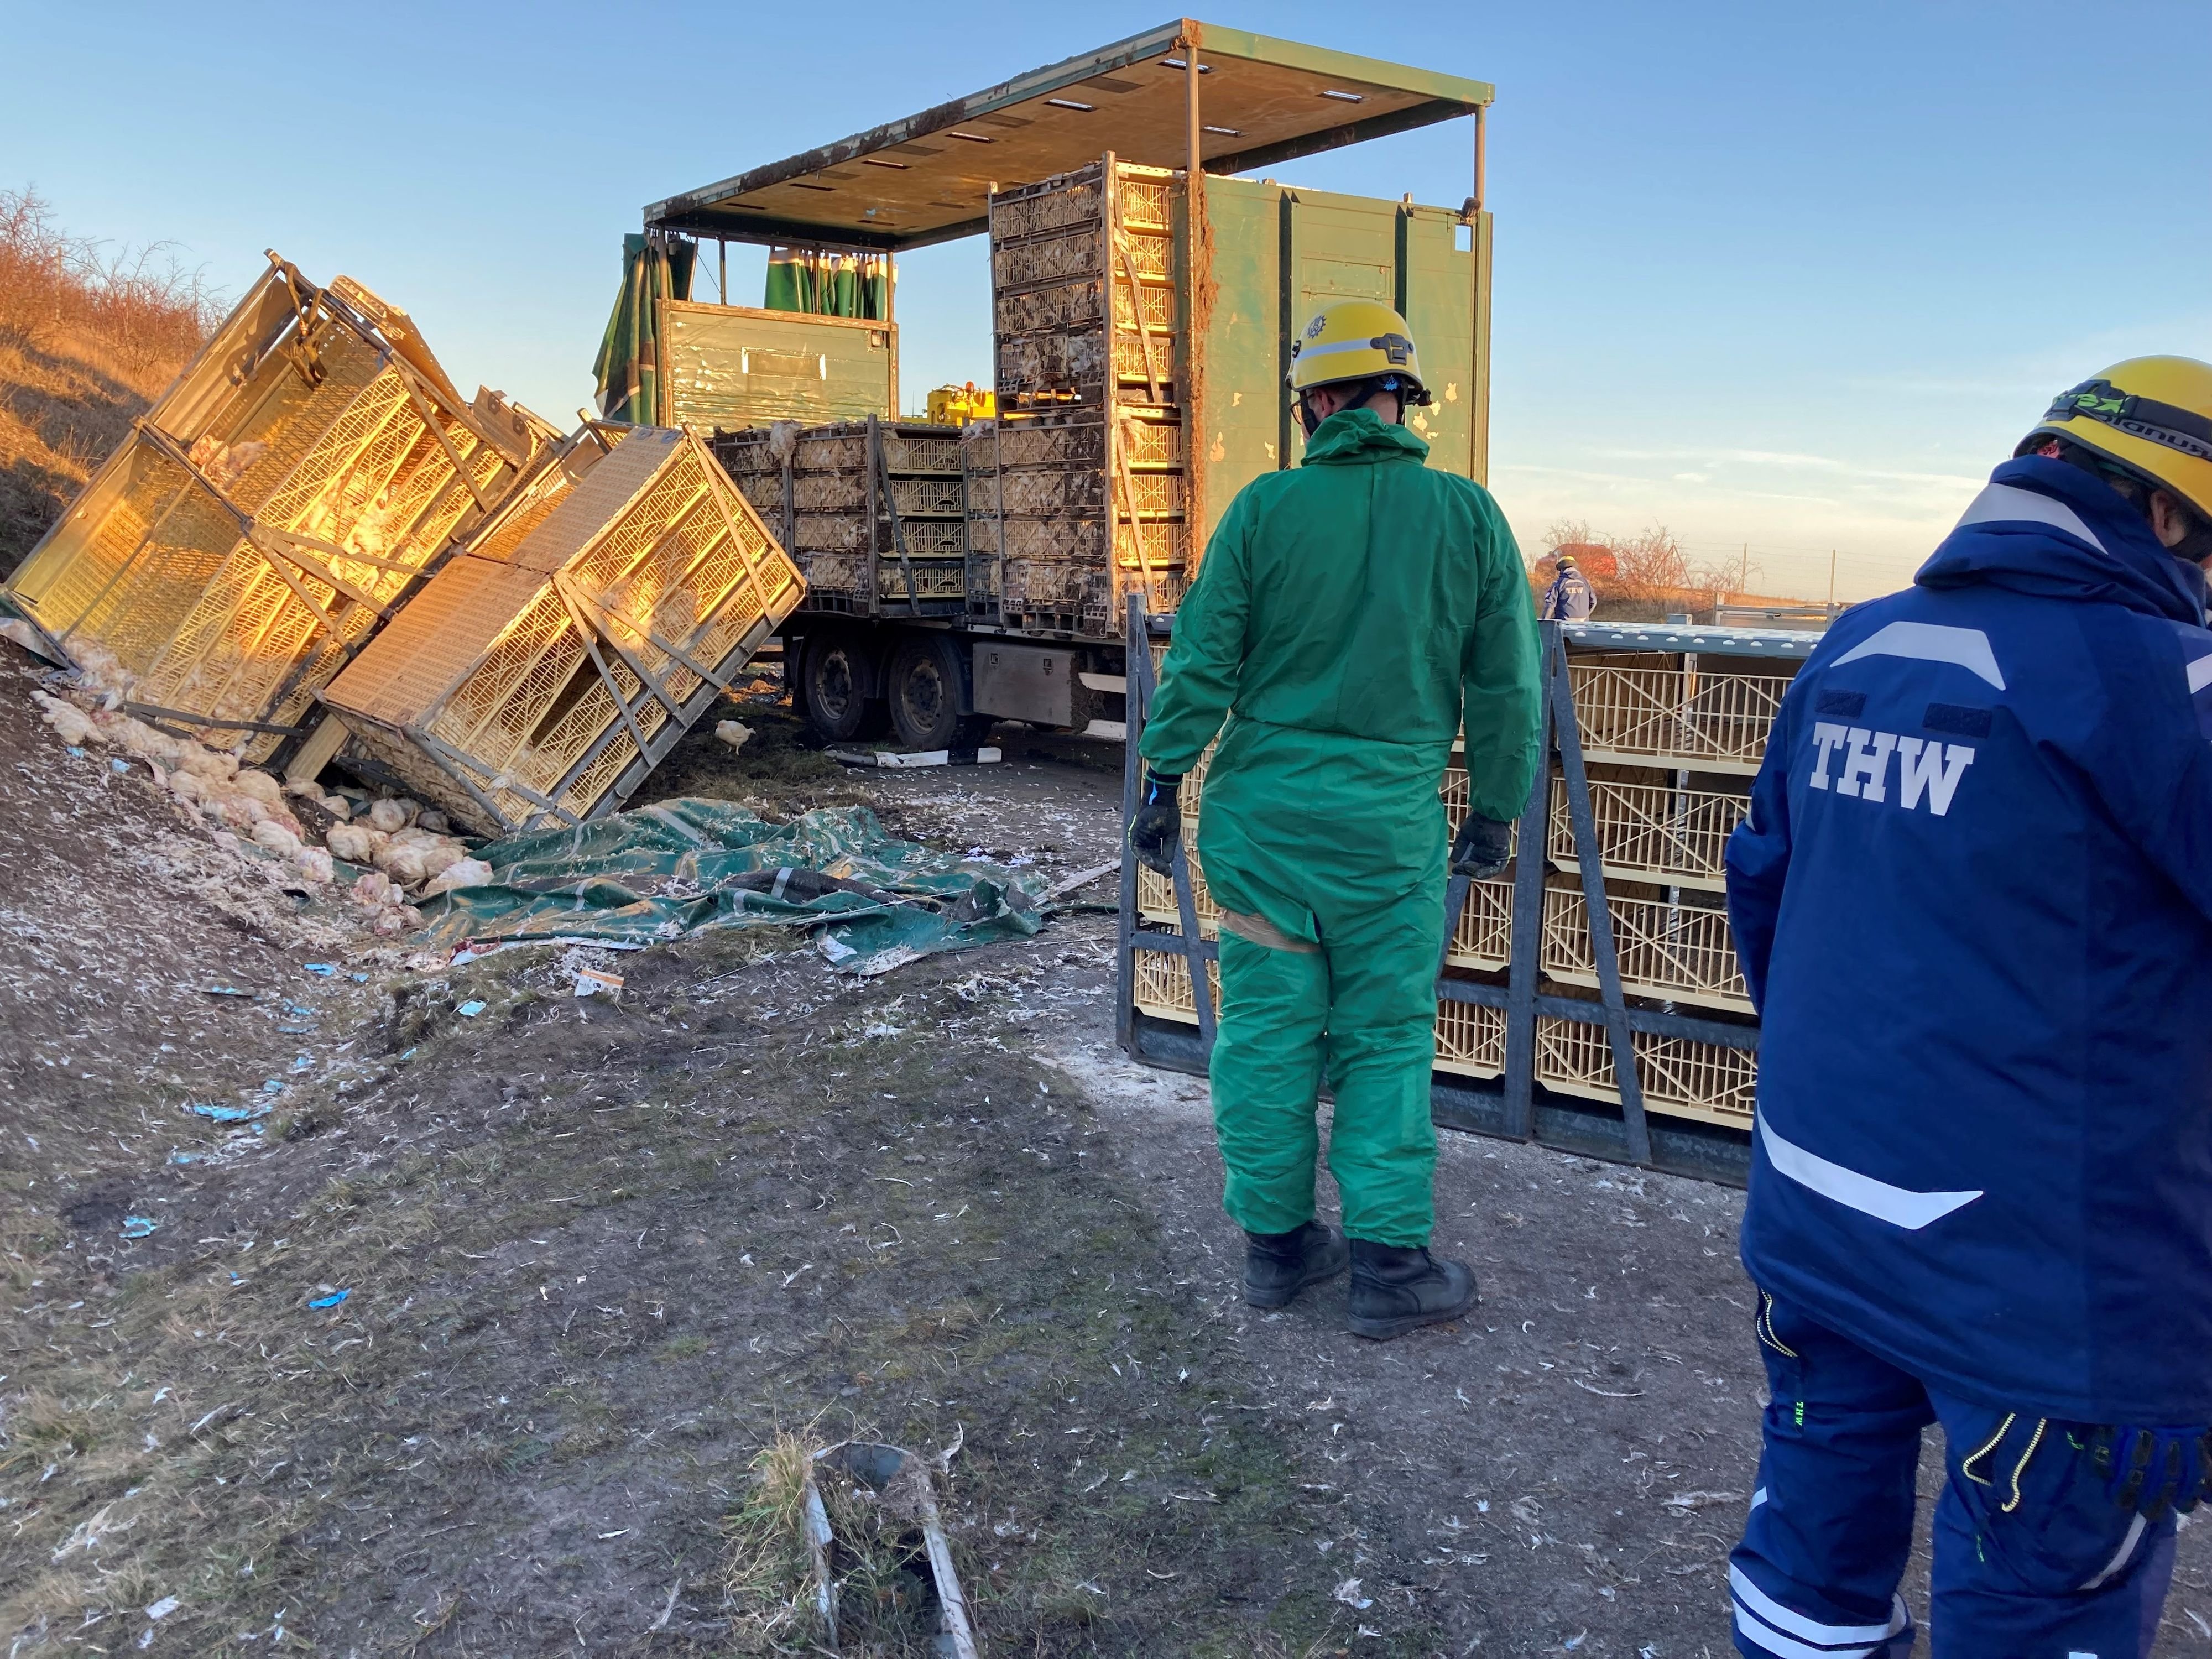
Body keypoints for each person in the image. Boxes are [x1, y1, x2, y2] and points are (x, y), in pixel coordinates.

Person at [1723, 356, 2212, 1658]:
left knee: (1807, 1556)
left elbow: (1765, 899)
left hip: (1817, 1220)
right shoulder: (2166, 685)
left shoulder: (1855, 646)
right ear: (2167, 516)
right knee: (2042, 1588)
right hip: (2047, 1301)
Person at [1126, 299, 1541, 1340]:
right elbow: (1506, 691)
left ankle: (1276, 1252)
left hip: (1261, 832)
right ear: (1405, 401)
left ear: (1315, 401)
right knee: (1384, 1042)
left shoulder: (1265, 511)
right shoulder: (1469, 518)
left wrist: (1160, 779)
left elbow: (1205, 660)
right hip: (1385, 845)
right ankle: (1390, 1267)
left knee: (1266, 1036)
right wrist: (1494, 811)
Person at [1541, 552, 1597, 620]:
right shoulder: (1586, 582)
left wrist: (1544, 623)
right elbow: (1594, 602)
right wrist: (1584, 616)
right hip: (1583, 624)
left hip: (1564, 623)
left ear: (1561, 569)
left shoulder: (1558, 583)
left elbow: (1550, 604)